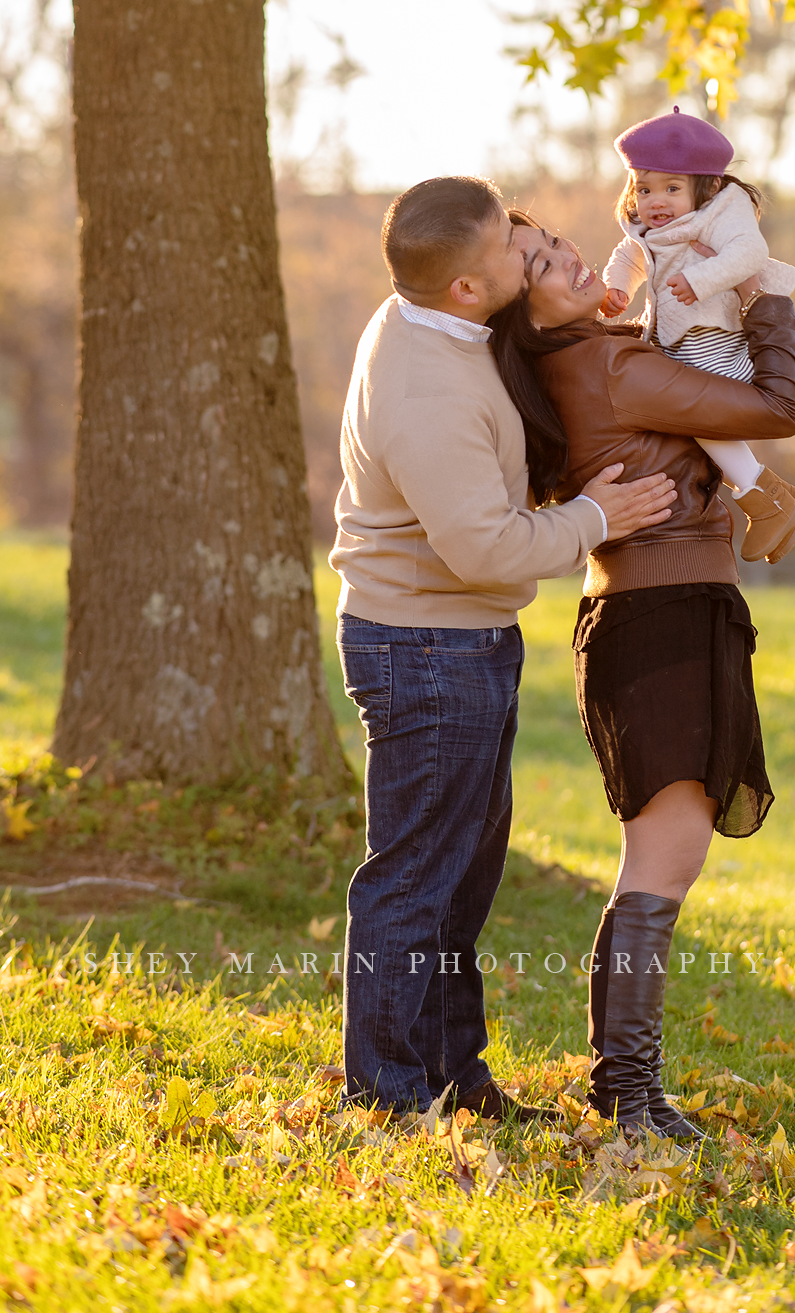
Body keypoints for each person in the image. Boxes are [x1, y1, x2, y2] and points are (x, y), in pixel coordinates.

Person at [330, 176, 676, 1121]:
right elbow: (482, 547)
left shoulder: (443, 320)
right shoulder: (429, 391)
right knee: (414, 879)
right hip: (427, 649)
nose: (535, 256)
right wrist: (596, 516)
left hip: (462, 641)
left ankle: (454, 1075)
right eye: (517, 257)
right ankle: (390, 1093)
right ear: (468, 291)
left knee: (463, 878)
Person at [490, 218, 795, 1140]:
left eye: (555, 239)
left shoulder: (591, 357)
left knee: (664, 863)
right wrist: (764, 297)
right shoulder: (609, 368)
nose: (571, 255)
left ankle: (627, 1087)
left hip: (663, 614)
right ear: (528, 310)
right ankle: (629, 1095)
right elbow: (782, 408)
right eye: (546, 265)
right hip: (662, 622)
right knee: (661, 869)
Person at [601, 107, 795, 565]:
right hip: (678, 339)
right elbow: (629, 256)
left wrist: (701, 280)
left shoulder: (723, 211)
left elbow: (749, 253)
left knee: (699, 417)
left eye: (672, 188)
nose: (655, 201)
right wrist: (617, 287)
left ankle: (765, 498)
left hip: (714, 336)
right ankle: (771, 499)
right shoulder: (649, 230)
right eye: (644, 189)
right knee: (693, 418)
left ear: (708, 186)